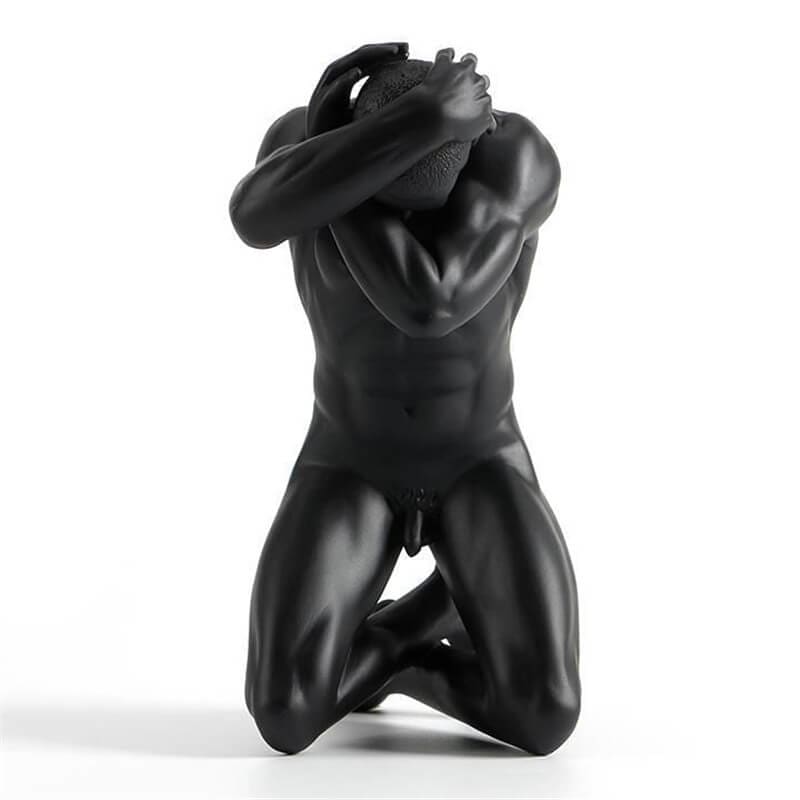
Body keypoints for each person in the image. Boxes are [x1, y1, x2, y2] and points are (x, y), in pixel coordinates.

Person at [229, 42, 580, 755]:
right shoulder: (301, 139)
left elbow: (431, 301)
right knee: (284, 712)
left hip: (478, 460)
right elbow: (249, 218)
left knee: (545, 713)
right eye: (376, 165)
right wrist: (400, 128)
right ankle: (406, 637)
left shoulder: (513, 155)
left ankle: (422, 633)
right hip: (348, 461)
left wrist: (336, 173)